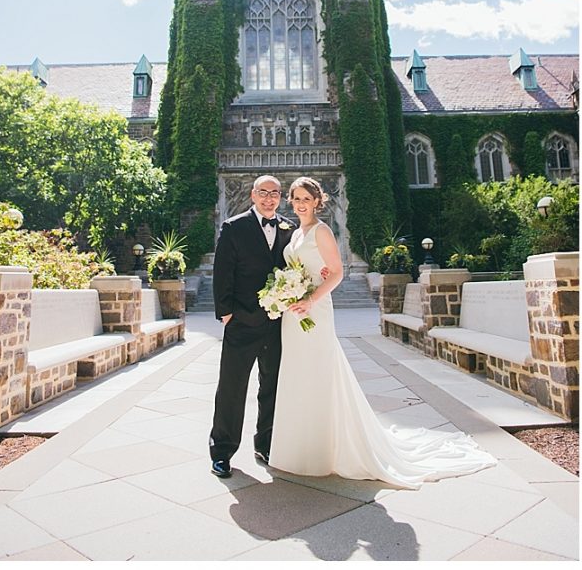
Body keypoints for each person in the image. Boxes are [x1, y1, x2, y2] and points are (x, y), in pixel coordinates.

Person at [268, 176, 497, 488]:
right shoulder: (295, 233)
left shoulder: (322, 231)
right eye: (296, 198)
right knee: (298, 373)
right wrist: (286, 291)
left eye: (306, 198)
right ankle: (300, 446)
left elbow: (337, 272)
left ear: (317, 201)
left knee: (319, 371)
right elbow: (304, 269)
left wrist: (310, 299)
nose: (300, 204)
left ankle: (325, 448)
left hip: (315, 310)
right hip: (294, 313)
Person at [209, 174, 296, 479]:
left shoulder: (289, 229)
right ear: (253, 195)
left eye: (274, 193)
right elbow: (223, 271)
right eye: (263, 192)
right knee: (231, 388)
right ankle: (222, 452)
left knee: (272, 387)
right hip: (242, 321)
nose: (269, 198)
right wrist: (225, 313)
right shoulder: (234, 226)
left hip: (278, 324)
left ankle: (265, 444)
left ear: (280, 197)